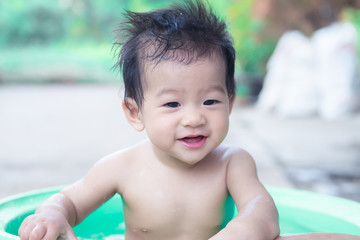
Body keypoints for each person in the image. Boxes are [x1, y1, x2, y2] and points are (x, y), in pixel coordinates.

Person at [17, 1, 360, 240]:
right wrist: (53, 215)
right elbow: (69, 200)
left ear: (230, 102)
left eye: (211, 101)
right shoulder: (120, 168)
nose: (194, 117)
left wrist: (243, 230)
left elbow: (261, 209)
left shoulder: (232, 163)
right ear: (135, 113)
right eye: (172, 104)